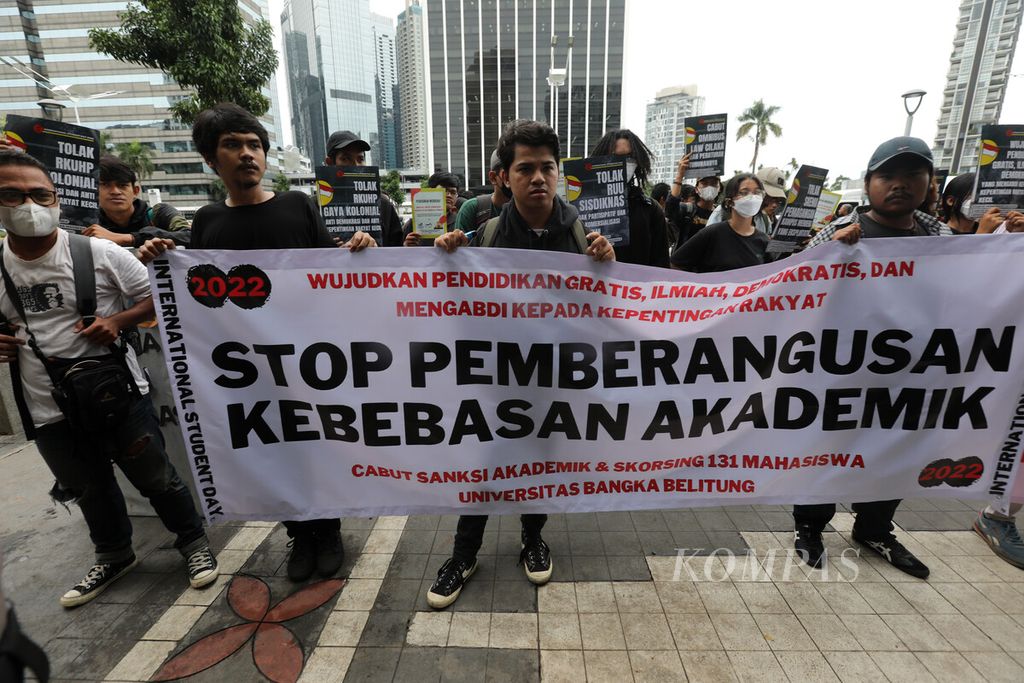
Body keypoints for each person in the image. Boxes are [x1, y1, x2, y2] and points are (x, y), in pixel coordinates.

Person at [139, 104, 375, 582]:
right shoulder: (206, 222)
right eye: (232, 145)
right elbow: (199, 293)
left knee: (313, 444)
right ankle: (299, 533)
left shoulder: (297, 205)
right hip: (246, 365)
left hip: (307, 359)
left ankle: (326, 530)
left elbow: (326, 269)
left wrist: (358, 251)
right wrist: (159, 257)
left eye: (254, 145)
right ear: (211, 159)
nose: (247, 154)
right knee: (272, 449)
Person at [0, 150, 219, 607]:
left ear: (57, 199)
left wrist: (118, 322)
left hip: (117, 396)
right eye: (12, 195)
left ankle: (193, 543)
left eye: (40, 194)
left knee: (157, 477)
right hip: (45, 405)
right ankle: (115, 554)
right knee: (88, 488)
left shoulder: (97, 252)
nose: (29, 205)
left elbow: (160, 298)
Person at [425, 119, 615, 608]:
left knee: (539, 465)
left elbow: (607, 312)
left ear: (559, 174)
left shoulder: (582, 237)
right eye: (525, 168)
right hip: (493, 384)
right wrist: (445, 255)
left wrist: (608, 267)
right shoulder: (483, 236)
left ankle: (533, 538)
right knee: (484, 468)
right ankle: (464, 555)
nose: (538, 178)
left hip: (552, 383)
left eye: (546, 168)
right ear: (504, 177)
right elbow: (449, 305)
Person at [796, 136, 954, 579]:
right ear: (869, 184)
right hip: (840, 372)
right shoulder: (842, 231)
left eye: (912, 176)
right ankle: (810, 527)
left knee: (894, 450)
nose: (899, 185)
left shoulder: (943, 239)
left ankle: (875, 528)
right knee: (826, 450)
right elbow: (793, 290)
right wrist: (830, 255)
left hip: (911, 373)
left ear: (930, 184)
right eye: (888, 176)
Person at [590, 129, 669, 267]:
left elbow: (661, 265)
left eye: (629, 158)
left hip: (635, 287)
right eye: (615, 157)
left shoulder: (651, 210)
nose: (622, 164)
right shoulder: (583, 207)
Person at [81, 155, 191, 248]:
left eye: (122, 185)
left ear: (135, 191)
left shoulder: (159, 213)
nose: (115, 191)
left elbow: (190, 236)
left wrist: (130, 239)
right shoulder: (88, 223)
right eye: (105, 184)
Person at [670, 173, 769, 273]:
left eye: (757, 193)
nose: (752, 198)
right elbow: (675, 265)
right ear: (730, 201)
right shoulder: (712, 233)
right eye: (744, 192)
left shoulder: (764, 241)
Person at [323, 130, 404, 246]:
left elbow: (397, 252)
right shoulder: (314, 206)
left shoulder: (384, 205)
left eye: (360, 159)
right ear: (329, 162)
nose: (355, 166)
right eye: (346, 159)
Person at [665, 153, 719, 250]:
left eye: (714, 183)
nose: (709, 187)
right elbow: (670, 208)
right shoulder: (687, 210)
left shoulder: (721, 214)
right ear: (697, 189)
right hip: (685, 264)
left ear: (719, 188)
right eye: (705, 183)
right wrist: (680, 175)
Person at [453, 151, 510, 233]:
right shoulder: (472, 209)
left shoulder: (532, 208)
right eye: (507, 175)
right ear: (493, 178)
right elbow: (461, 243)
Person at [404, 171, 461, 245]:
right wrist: (406, 245)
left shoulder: (460, 222)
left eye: (453, 192)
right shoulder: (414, 223)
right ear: (431, 191)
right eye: (444, 190)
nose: (449, 195)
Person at [938, 173, 1005, 234]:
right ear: (951, 201)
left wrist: (1012, 231)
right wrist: (982, 234)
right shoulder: (936, 231)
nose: (980, 202)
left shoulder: (993, 228)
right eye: (974, 196)